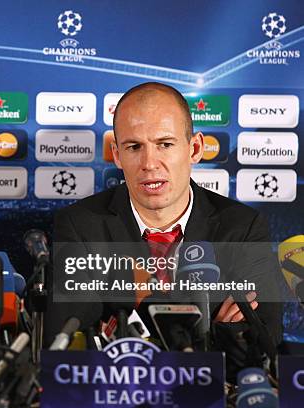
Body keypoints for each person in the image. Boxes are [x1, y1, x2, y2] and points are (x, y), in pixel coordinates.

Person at [47, 82, 282, 376]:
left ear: (195, 148)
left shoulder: (242, 227)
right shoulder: (81, 225)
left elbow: (263, 342)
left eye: (165, 144)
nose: (149, 163)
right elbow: (68, 342)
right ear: (117, 155)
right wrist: (214, 330)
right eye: (134, 147)